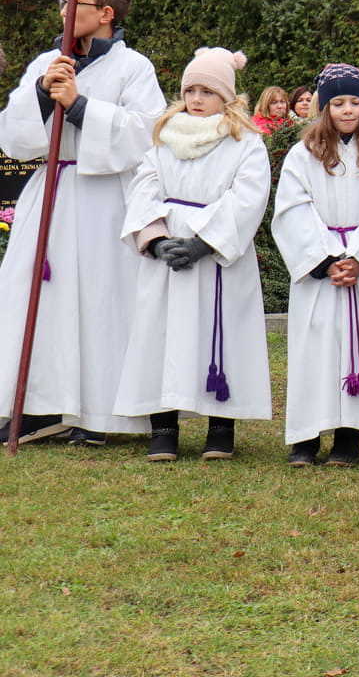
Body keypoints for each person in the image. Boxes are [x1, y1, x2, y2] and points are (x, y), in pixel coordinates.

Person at [0, 0, 166, 446]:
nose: (63, 10)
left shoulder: (134, 68)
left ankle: (99, 412)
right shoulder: (45, 62)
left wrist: (80, 107)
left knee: (101, 300)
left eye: (74, 2)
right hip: (51, 193)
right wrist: (40, 93)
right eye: (62, 0)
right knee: (35, 296)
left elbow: (146, 134)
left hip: (103, 198)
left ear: (106, 13)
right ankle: (37, 405)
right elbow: (13, 137)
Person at [114, 48, 273, 461]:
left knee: (220, 331)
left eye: (207, 91)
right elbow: (144, 188)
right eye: (191, 91)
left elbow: (248, 196)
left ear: (227, 97)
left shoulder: (244, 142)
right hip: (168, 256)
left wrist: (204, 242)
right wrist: (156, 238)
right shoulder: (163, 140)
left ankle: (220, 425)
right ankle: (163, 425)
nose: (197, 99)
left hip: (216, 256)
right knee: (160, 334)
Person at [272, 63, 359, 467]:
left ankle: (349, 436)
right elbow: (292, 209)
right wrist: (326, 258)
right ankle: (306, 437)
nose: (348, 110)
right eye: (338, 103)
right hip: (322, 270)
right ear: (325, 108)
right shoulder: (304, 155)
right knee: (317, 349)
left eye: (355, 102)